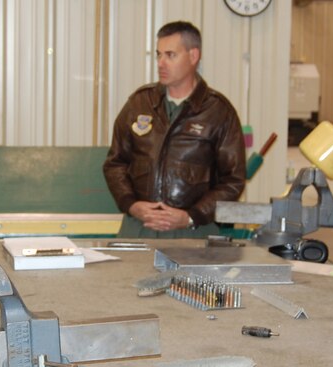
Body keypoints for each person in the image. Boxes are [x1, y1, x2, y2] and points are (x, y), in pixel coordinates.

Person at [103, 21, 246, 238]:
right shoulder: (139, 104)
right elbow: (115, 163)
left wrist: (191, 216)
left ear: (193, 56)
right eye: (158, 55)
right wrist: (130, 204)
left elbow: (233, 179)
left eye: (170, 55)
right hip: (139, 229)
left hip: (193, 233)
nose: (161, 63)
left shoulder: (218, 112)